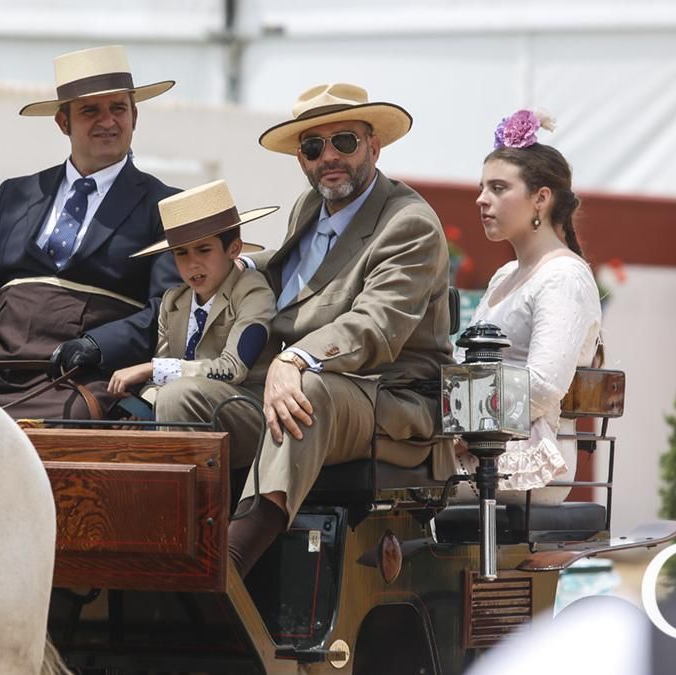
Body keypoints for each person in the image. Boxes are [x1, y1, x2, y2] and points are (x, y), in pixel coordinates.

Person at [155, 83, 456, 577]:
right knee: (180, 398)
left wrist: (293, 360)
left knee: (305, 396)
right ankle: (177, 545)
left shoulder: (409, 223)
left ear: (374, 146)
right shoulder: (309, 209)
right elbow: (302, 276)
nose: (328, 157)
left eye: (345, 141)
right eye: (313, 147)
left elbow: (374, 327)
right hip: (304, 389)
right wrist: (237, 266)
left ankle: (229, 564)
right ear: (301, 157)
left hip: (389, 398)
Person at [0, 45, 181, 418]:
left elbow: (169, 308)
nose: (108, 121)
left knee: (59, 424)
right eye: (90, 111)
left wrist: (98, 344)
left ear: (135, 115)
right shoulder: (15, 195)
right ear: (63, 123)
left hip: (85, 377)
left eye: (118, 108)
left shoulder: (165, 206)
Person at [453, 109, 602, 506]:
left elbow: (542, 385)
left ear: (541, 199)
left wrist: (456, 428)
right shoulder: (505, 276)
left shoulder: (563, 277)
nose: (481, 199)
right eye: (483, 187)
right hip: (476, 448)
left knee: (391, 477)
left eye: (499, 188)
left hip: (523, 460)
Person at [105, 180, 279, 401]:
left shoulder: (253, 292)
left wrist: (151, 368)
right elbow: (159, 380)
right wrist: (143, 409)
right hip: (180, 407)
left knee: (177, 394)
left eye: (204, 250)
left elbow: (233, 368)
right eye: (181, 253)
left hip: (241, 408)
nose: (192, 264)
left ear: (234, 249)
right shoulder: (173, 301)